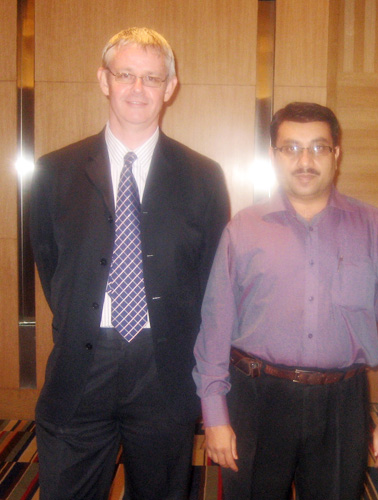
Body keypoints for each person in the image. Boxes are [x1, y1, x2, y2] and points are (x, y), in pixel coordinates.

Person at [30, 27, 229, 500]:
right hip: (81, 365)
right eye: (125, 75)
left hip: (165, 369)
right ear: (104, 80)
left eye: (152, 78)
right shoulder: (54, 172)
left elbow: (212, 280)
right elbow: (50, 264)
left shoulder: (203, 176)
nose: (138, 89)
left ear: (170, 87)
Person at [193, 102, 378, 499]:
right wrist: (215, 415)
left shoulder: (373, 227)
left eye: (318, 148)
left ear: (336, 154)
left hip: (342, 403)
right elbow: (214, 328)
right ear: (274, 155)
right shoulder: (244, 228)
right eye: (291, 148)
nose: (305, 161)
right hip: (256, 399)